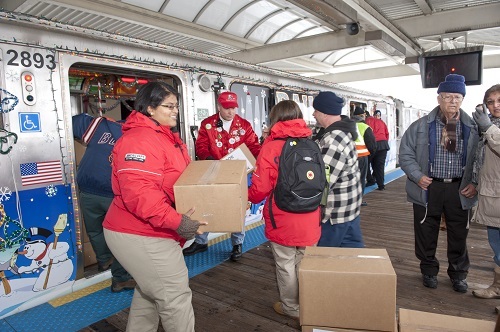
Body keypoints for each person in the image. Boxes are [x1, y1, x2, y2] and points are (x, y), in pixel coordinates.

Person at [103, 82, 206, 331]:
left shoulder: (165, 137)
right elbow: (140, 196)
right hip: (138, 232)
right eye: (168, 106)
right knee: (174, 297)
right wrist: (178, 222)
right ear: (149, 108)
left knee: (149, 295)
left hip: (153, 229)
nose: (175, 111)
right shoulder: (140, 140)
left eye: (176, 106)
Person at [399, 74, 479, 293]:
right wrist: (417, 175)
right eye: (448, 96)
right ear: (438, 99)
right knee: (426, 230)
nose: (453, 101)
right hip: (428, 187)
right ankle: (428, 270)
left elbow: (482, 160)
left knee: (459, 233)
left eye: (457, 97)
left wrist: (474, 182)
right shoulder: (420, 126)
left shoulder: (472, 128)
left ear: (462, 99)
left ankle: (458, 274)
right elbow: (405, 153)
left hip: (459, 188)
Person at [248, 100, 321, 320]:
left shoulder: (271, 147)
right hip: (310, 215)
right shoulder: (312, 144)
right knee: (304, 260)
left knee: (285, 263)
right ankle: (308, 302)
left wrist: (247, 197)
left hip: (283, 217)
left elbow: (260, 188)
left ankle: (291, 307)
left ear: (275, 120)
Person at [182, 91, 261, 261]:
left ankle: (237, 243)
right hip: (213, 171)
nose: (230, 112)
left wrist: (258, 161)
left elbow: (254, 147)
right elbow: (201, 146)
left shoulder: (245, 125)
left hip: (238, 173)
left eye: (233, 108)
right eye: (226, 108)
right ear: (219, 106)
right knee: (206, 204)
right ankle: (201, 241)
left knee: (238, 208)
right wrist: (209, 159)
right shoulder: (208, 124)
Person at [72, 113, 136, 292]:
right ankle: (121, 278)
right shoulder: (137, 136)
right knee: (121, 237)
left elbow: (72, 122)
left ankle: (104, 260)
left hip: (87, 189)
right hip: (113, 194)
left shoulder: (100, 125)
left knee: (95, 231)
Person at [312, 91, 364, 248]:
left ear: (324, 112)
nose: (313, 114)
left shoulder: (333, 140)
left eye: (316, 110)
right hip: (350, 208)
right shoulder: (343, 131)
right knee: (352, 258)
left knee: (324, 261)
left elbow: (323, 181)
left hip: (336, 215)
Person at [471, 84, 500, 305]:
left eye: (499, 101)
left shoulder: (491, 128)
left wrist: (488, 128)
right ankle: (497, 286)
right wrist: (474, 182)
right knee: (496, 245)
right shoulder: (490, 126)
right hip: (492, 196)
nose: (494, 106)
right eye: (490, 102)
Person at [352, 106, 376, 206]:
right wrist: (370, 155)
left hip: (350, 157)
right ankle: (359, 201)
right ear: (362, 116)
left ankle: (351, 199)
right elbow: (372, 145)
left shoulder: (349, 125)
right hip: (362, 157)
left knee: (351, 179)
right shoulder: (365, 127)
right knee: (361, 179)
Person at [365, 109, 390, 190]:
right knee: (380, 166)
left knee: (367, 163)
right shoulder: (382, 122)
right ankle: (381, 185)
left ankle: (370, 180)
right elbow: (387, 134)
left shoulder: (368, 120)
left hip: (373, 144)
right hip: (383, 145)